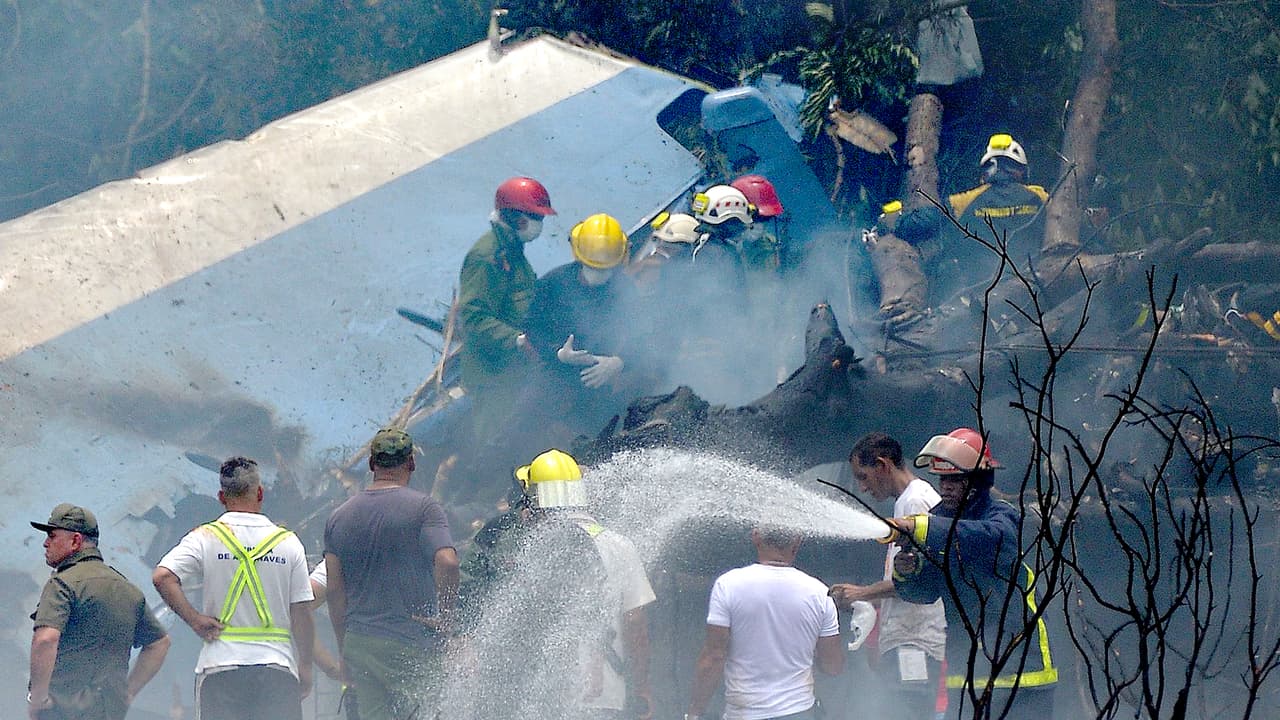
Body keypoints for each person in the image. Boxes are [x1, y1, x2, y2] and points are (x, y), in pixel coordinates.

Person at [889, 428, 1058, 719]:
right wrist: (908, 571)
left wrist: (923, 528)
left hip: (1021, 672)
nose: (946, 487)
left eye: (956, 479)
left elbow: (989, 537)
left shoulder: (1000, 516)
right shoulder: (938, 521)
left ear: (977, 480)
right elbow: (924, 592)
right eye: (943, 479)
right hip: (965, 673)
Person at [153, 456, 315, 720]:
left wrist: (194, 620)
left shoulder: (205, 537)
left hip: (220, 669)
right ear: (260, 493)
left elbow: (162, 576)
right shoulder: (289, 543)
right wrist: (306, 665)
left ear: (221, 496)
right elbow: (302, 613)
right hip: (277, 669)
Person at [324, 427, 460, 720]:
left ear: (373, 465)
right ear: (411, 462)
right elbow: (448, 563)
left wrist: (344, 647)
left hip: (360, 643)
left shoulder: (338, 517)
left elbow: (334, 589)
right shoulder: (425, 509)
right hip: (409, 642)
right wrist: (446, 618)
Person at [516, 448, 657, 719]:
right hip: (606, 696)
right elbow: (636, 626)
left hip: (549, 697)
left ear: (536, 500)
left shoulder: (538, 551)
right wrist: (640, 689)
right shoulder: (620, 545)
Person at [829, 432, 947, 718]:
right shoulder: (910, 500)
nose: (862, 487)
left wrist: (862, 593)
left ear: (883, 465)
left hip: (916, 641)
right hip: (910, 639)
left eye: (863, 476)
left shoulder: (915, 503)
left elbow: (919, 580)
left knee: (911, 711)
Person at [685, 525, 844, 720]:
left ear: (756, 537)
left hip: (743, 714)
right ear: (797, 541)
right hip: (799, 711)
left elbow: (714, 656)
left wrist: (694, 712)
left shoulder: (728, 586)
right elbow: (833, 666)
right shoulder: (820, 593)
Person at [27, 503, 171, 720]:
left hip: (62, 709)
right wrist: (128, 692)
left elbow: (45, 640)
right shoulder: (127, 588)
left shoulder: (63, 583)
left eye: (52, 535)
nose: (46, 543)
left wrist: (37, 698)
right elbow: (160, 643)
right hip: (109, 710)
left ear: (75, 541)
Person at [524, 213, 656, 437]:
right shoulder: (553, 283)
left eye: (605, 269)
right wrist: (557, 354)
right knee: (523, 432)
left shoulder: (624, 290)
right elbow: (532, 329)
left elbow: (643, 339)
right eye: (591, 267)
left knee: (594, 442)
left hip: (597, 385)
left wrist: (619, 362)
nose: (598, 274)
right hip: (550, 380)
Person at [892, 133, 1049, 304]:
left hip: (982, 299)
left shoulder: (965, 201)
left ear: (988, 170)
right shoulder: (1042, 198)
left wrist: (892, 220)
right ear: (1020, 171)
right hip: (1035, 293)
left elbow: (920, 223)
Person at [457, 176, 557, 434]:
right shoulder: (487, 257)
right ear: (513, 217)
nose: (538, 225)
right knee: (492, 446)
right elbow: (472, 315)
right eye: (535, 218)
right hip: (491, 376)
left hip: (511, 371)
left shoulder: (512, 250)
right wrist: (518, 339)